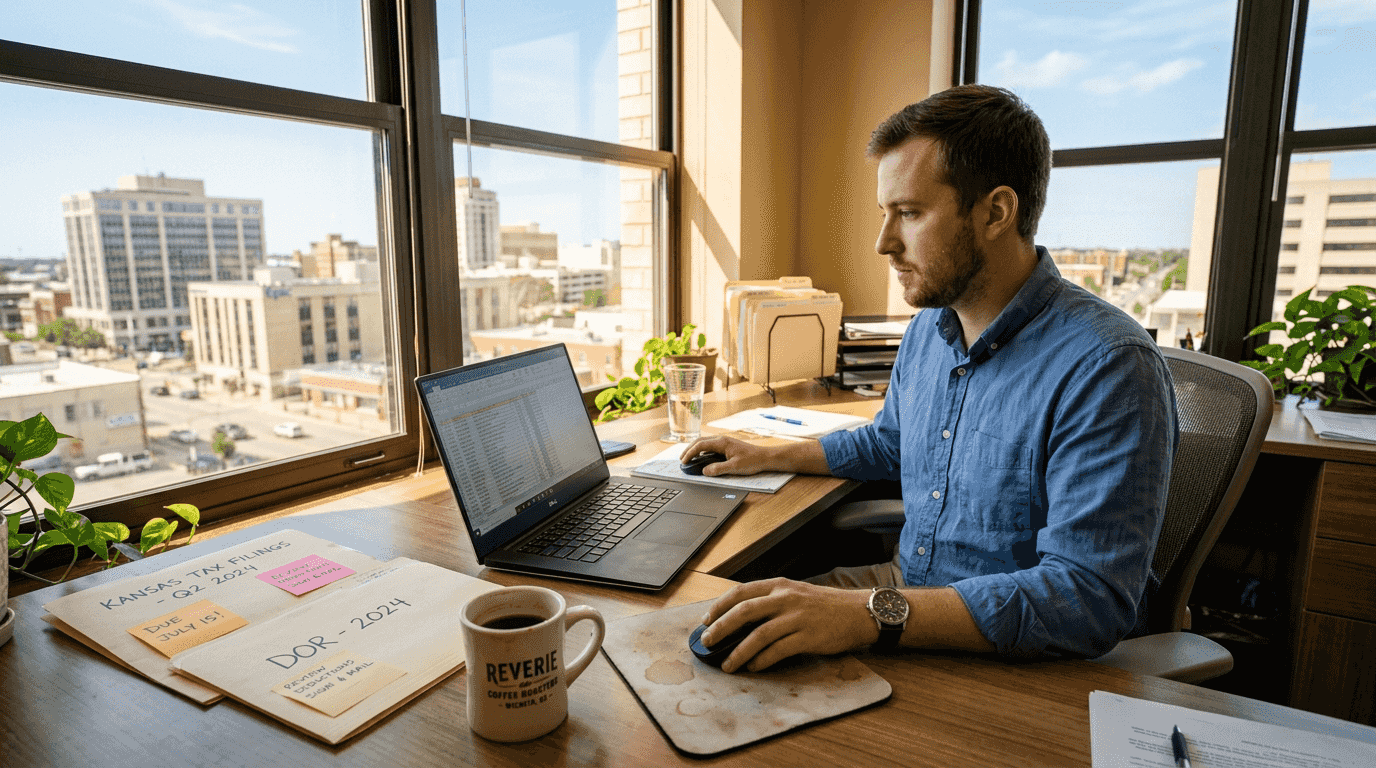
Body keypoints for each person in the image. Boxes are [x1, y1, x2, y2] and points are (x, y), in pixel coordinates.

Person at [683, 84, 1177, 674]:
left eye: (910, 214)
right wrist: (767, 452)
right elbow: (890, 441)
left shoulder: (1108, 365)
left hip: (1019, 654)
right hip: (902, 592)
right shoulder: (930, 331)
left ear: (996, 211)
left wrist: (866, 615)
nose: (883, 242)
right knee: (716, 630)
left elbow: (1085, 599)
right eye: (884, 214)